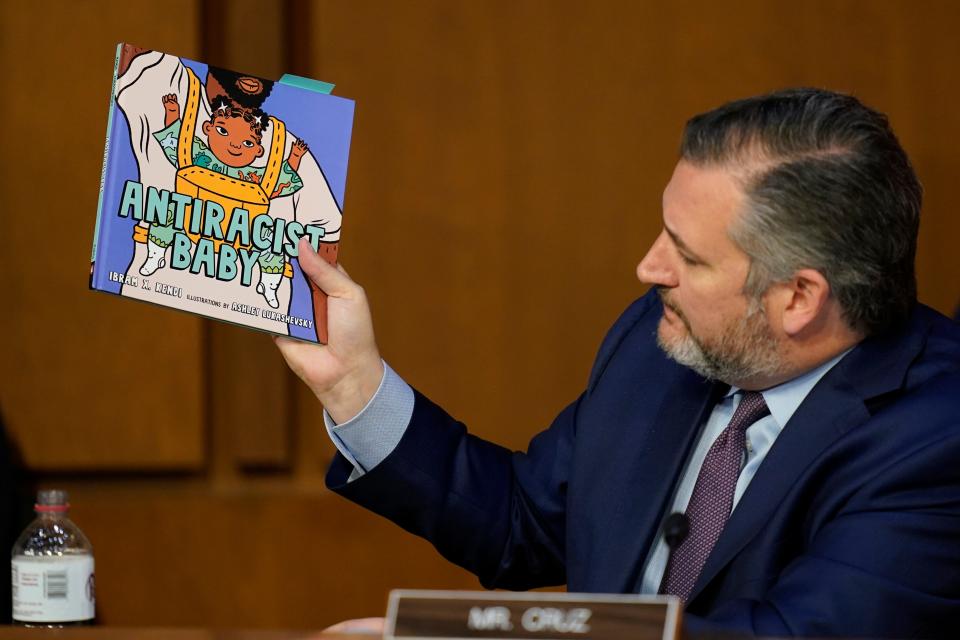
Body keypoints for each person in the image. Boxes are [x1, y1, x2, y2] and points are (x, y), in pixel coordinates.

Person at [276, 88, 960, 637]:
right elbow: (521, 525)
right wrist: (354, 383)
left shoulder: (934, 441)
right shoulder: (663, 342)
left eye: (688, 257)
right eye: (666, 230)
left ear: (799, 297)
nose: (648, 267)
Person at [114, 47, 342, 337]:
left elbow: (327, 238)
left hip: (260, 335)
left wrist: (332, 346)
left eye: (248, 144)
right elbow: (130, 56)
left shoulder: (282, 146)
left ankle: (268, 285)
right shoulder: (169, 85)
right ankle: (156, 255)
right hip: (148, 318)